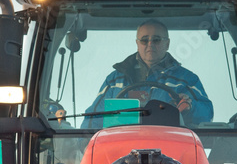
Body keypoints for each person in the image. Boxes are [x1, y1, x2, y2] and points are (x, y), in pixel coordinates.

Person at [82, 20, 213, 128]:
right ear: (137, 44)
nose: (150, 44)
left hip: (170, 153)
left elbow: (206, 114)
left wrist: (190, 106)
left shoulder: (186, 80)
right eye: (144, 40)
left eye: (156, 40)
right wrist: (85, 145)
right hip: (121, 154)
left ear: (167, 44)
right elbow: (95, 117)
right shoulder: (115, 80)